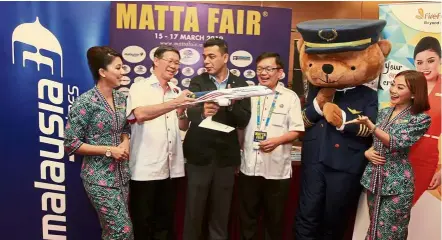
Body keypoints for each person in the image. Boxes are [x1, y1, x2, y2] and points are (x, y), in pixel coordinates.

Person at [182, 38, 251, 240]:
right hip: (198, 157)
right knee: (194, 212)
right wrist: (203, 112)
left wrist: (229, 103)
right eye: (204, 57)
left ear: (225, 57)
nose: (206, 61)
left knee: (221, 214)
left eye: (211, 56)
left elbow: (244, 119)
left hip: (225, 160)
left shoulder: (240, 85)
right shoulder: (197, 81)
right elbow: (190, 112)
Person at [126, 45, 195, 240]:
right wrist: (175, 103)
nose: (174, 66)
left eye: (177, 63)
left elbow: (182, 126)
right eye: (170, 61)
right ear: (156, 60)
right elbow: (139, 114)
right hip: (145, 169)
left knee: (165, 223)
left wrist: (182, 112)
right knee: (144, 223)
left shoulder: (175, 90)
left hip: (171, 168)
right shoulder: (140, 87)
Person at [64, 46, 133, 239]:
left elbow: (125, 128)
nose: (122, 72)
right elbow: (71, 143)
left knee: (112, 231)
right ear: (102, 72)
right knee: (123, 231)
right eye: (118, 68)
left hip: (122, 176)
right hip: (99, 179)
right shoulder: (85, 102)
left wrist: (125, 141)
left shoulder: (121, 98)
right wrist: (109, 150)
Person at [238, 52, 304, 240]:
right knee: (247, 220)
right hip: (249, 168)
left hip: (276, 170)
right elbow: (240, 127)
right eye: (260, 69)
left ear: (280, 72)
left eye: (269, 69)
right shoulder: (248, 95)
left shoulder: (289, 97)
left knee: (274, 221)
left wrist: (276, 141)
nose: (263, 73)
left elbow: (297, 131)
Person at [358, 70, 431, 240]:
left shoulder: (420, 119)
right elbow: (375, 143)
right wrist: (367, 152)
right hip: (375, 179)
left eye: (400, 87)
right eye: (392, 85)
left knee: (390, 233)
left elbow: (396, 142)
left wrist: (372, 127)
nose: (393, 90)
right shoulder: (384, 112)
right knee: (374, 227)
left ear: (414, 94)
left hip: (397, 183)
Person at [409, 36, 441, 204]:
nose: (425, 67)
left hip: (431, 159)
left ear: (440, 60)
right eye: (419, 62)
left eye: (431, 61)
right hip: (402, 157)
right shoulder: (406, 86)